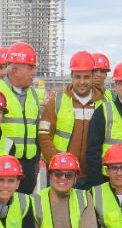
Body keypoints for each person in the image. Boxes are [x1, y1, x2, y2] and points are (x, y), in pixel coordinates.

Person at [37, 51, 103, 185]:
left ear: (92, 77)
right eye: (78, 77)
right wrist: (57, 163)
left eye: (86, 77)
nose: (82, 82)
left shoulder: (104, 103)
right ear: (71, 77)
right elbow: (43, 134)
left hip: (93, 175)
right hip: (62, 174)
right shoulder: (57, 101)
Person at [0, 42, 45, 193]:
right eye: (30, 68)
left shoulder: (34, 95)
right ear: (15, 70)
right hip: (1, 167)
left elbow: (36, 133)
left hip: (28, 169)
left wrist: (34, 168)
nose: (34, 72)